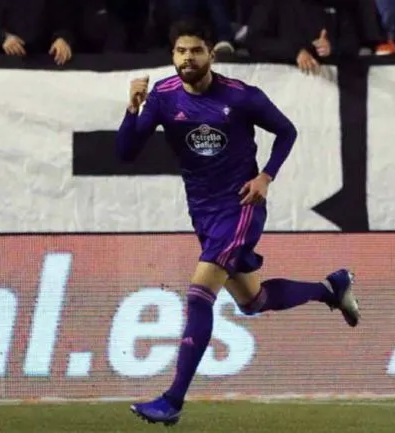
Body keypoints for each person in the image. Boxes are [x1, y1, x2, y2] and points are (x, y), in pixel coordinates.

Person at [116, 19, 361, 426]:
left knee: (199, 293)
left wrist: (266, 176)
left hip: (241, 206)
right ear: (172, 55)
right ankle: (330, 289)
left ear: (211, 54)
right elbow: (125, 153)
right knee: (253, 301)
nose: (187, 58)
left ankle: (172, 400)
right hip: (204, 212)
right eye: (180, 51)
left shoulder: (240, 96)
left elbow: (286, 131)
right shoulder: (161, 96)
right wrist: (132, 109)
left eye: (195, 50)